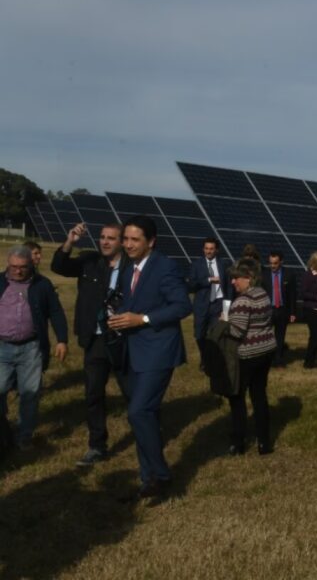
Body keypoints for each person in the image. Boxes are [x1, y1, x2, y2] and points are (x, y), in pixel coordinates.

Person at [107, 215, 191, 503]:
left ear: (150, 242)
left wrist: (141, 318)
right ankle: (148, 479)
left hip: (158, 351)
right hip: (132, 351)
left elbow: (182, 305)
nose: (127, 245)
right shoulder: (130, 266)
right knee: (146, 416)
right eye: (125, 239)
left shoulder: (164, 266)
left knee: (138, 412)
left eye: (134, 240)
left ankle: (162, 474)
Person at [51, 221, 128, 466]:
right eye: (102, 237)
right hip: (95, 339)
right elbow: (59, 266)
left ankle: (147, 432)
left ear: (122, 242)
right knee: (93, 393)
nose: (105, 241)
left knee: (133, 392)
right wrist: (70, 241)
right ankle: (97, 445)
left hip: (123, 339)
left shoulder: (132, 268)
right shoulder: (89, 262)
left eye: (111, 238)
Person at [0, 245, 68, 450]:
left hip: (31, 348)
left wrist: (62, 339)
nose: (17, 271)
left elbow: (56, 312)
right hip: (2, 347)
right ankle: (3, 433)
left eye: (22, 267)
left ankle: (24, 436)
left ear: (31, 265)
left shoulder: (42, 285)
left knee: (29, 394)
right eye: (13, 267)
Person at [222, 258, 277, 455]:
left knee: (237, 397)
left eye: (237, 278)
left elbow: (236, 332)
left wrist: (224, 322)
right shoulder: (263, 294)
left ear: (249, 278)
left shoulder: (243, 301)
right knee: (259, 395)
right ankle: (264, 442)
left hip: (247, 355)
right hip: (266, 349)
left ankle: (238, 442)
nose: (233, 282)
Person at [186, 238, 234, 369]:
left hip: (218, 305)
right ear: (203, 249)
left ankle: (212, 361)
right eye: (206, 248)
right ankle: (204, 356)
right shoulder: (196, 265)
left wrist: (226, 309)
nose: (209, 251)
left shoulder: (224, 265)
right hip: (201, 305)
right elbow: (191, 285)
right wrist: (209, 280)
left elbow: (229, 288)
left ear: (216, 250)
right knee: (199, 334)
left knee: (216, 335)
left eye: (211, 249)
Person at [265, 251, 296, 367]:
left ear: (281, 262)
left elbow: (293, 295)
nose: (272, 266)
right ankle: (267, 358)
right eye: (271, 263)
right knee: (266, 336)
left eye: (275, 263)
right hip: (268, 310)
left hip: (282, 310)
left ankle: (278, 360)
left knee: (280, 336)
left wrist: (293, 312)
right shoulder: (264, 274)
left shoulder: (289, 274)